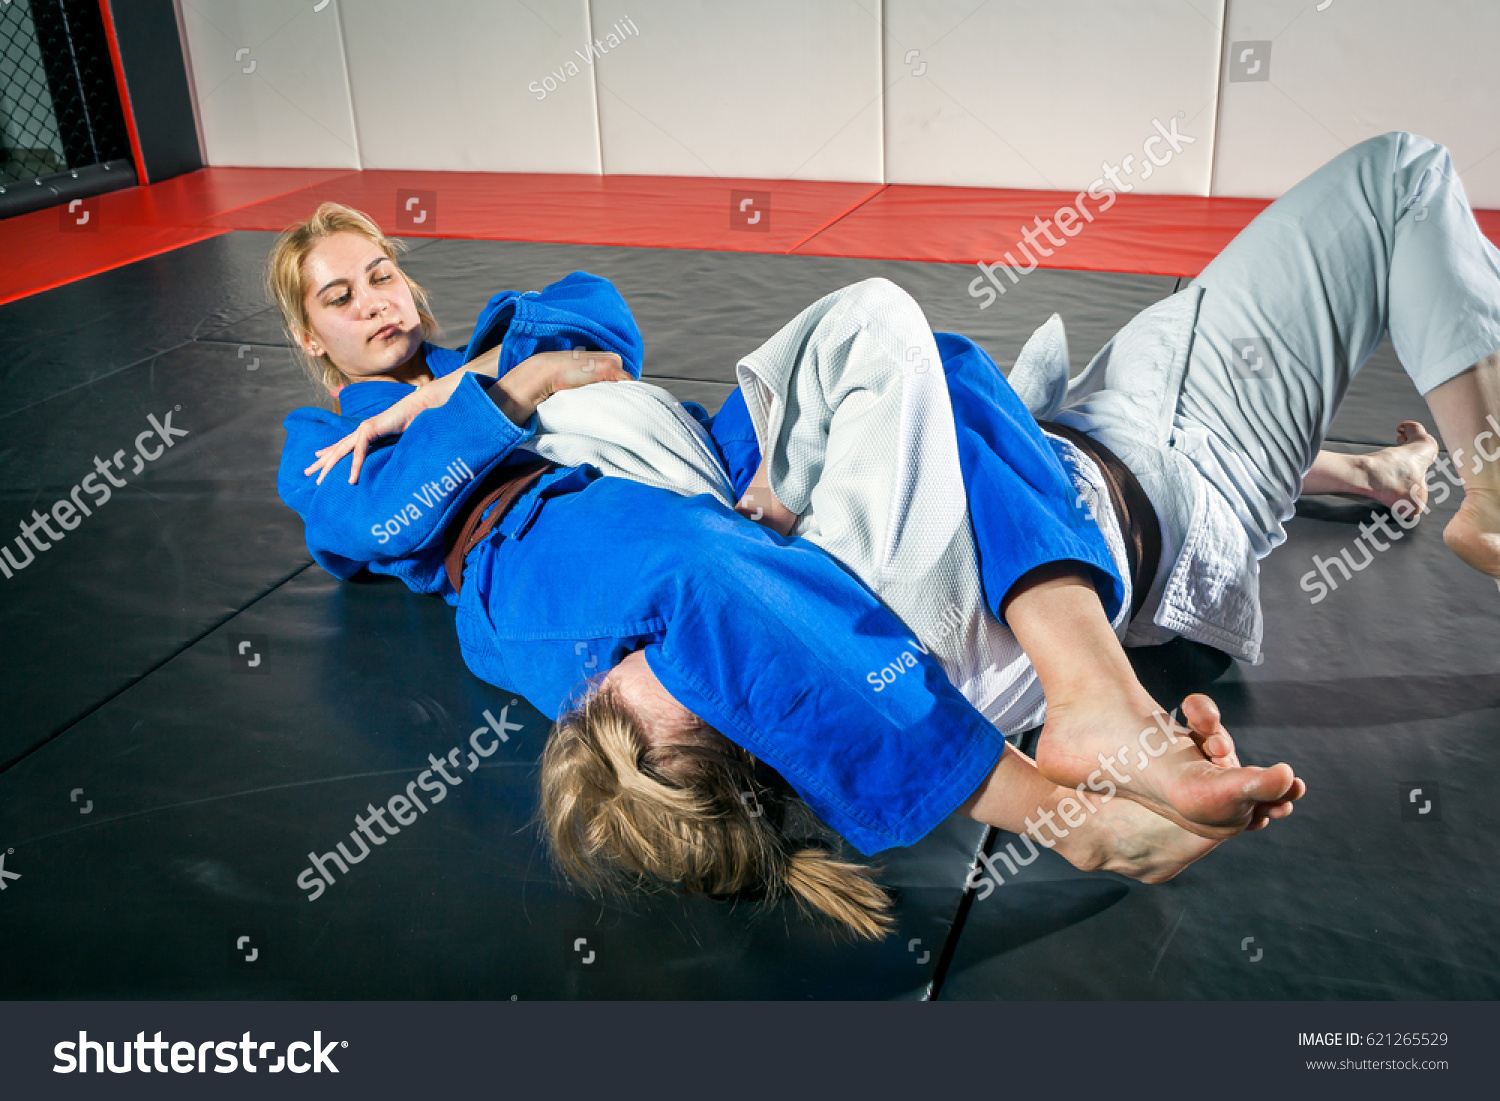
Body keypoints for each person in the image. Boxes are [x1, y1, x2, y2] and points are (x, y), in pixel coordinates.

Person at [273, 205, 1301, 940]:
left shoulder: (488, 341)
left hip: (706, 465)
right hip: (542, 533)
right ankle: (1064, 820)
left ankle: (1083, 687)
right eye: (338, 296)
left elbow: (599, 318)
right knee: (691, 573)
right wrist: (508, 394)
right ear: (309, 337)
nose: (372, 302)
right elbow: (377, 518)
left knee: (919, 355)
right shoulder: (326, 434)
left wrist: (476, 377)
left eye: (380, 275)